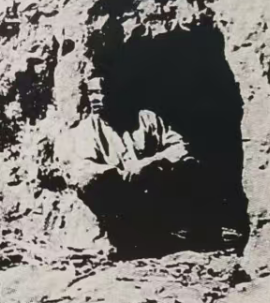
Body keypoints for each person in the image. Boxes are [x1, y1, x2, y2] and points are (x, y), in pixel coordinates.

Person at [56, 77, 227, 259]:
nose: (97, 98)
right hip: (121, 198)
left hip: (155, 190)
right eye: (92, 93)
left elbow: (180, 147)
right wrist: (120, 173)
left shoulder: (146, 119)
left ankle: (198, 232)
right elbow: (84, 169)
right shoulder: (85, 131)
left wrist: (149, 163)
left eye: (103, 92)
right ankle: (127, 239)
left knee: (191, 165)